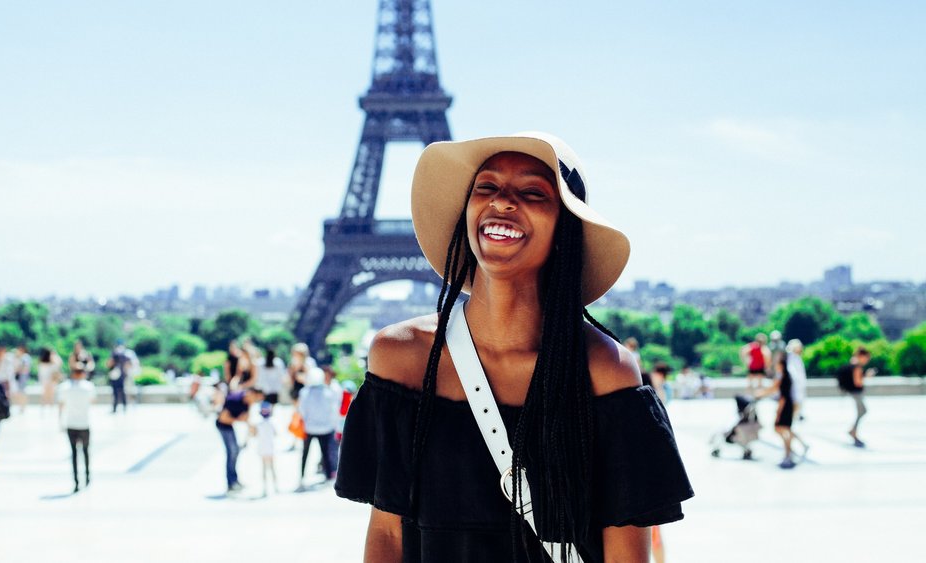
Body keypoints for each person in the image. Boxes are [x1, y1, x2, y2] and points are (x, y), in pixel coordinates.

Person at [335, 133, 693, 562]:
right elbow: (387, 536)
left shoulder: (605, 372)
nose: (501, 201)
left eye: (531, 192)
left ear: (565, 227)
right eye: (485, 187)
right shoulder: (401, 358)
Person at [755, 356, 807, 468]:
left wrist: (779, 411)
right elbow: (774, 389)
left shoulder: (784, 377)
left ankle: (789, 453)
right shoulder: (785, 376)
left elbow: (781, 394)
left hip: (785, 406)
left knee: (781, 429)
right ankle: (793, 450)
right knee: (785, 429)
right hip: (788, 405)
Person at [297, 365, 340, 491]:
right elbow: (333, 411)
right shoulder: (329, 392)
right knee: (325, 453)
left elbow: (302, 411)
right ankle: (327, 477)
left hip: (309, 428)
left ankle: (302, 476)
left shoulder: (304, 392)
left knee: (305, 453)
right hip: (326, 428)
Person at [215, 386, 263, 495]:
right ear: (251, 393)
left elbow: (246, 418)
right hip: (223, 426)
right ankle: (231, 483)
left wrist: (252, 431)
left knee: (235, 452)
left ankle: (234, 480)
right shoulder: (234, 399)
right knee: (232, 452)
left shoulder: (248, 403)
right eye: (256, 399)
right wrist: (238, 420)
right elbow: (223, 418)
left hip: (230, 425)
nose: (255, 402)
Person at [58, 360, 97, 492]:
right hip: (84, 423)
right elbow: (93, 401)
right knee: (85, 452)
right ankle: (87, 477)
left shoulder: (64, 387)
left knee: (74, 453)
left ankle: (76, 481)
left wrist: (60, 422)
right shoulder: (89, 387)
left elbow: (61, 405)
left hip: (71, 423)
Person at [837, 347, 875, 447]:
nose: (867, 361)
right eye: (867, 358)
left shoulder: (852, 362)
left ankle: (853, 431)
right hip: (856, 393)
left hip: (853, 392)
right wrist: (867, 375)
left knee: (862, 411)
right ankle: (853, 431)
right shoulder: (857, 366)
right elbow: (858, 382)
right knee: (863, 411)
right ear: (862, 356)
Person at [253, 401, 278, 496]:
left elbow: (254, 434)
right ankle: (275, 486)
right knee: (272, 468)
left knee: (265, 469)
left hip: (263, 448)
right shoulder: (271, 423)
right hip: (269, 448)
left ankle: (265, 488)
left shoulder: (259, 424)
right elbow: (276, 434)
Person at [785, 339, 807, 420]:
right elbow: (792, 371)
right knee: (796, 401)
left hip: (799, 384)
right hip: (796, 384)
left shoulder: (796, 357)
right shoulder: (791, 357)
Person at [107, 340, 133, 413]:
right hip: (122, 375)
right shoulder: (125, 354)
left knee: (115, 392)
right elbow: (129, 364)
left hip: (115, 376)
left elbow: (109, 363)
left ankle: (115, 408)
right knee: (122, 391)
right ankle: (124, 407)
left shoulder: (114, 354)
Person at [13, 345, 32, 413]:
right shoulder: (24, 357)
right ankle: (22, 407)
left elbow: (25, 367)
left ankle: (22, 407)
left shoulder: (25, 357)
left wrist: (18, 370)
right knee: (21, 392)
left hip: (22, 376)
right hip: (22, 376)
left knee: (22, 392)